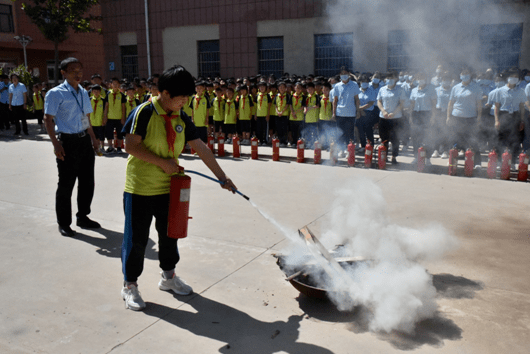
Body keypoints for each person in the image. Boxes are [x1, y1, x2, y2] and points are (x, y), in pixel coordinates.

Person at [120, 65, 238, 311]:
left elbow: (201, 147)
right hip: (140, 189)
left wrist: (222, 176)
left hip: (169, 189)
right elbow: (130, 146)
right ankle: (130, 285)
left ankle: (169, 278)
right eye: (180, 97)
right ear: (163, 92)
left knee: (170, 234)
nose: (184, 101)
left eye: (188, 97)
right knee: (137, 240)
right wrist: (164, 163)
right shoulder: (144, 112)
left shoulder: (181, 116)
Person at [43, 57, 101, 237]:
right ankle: (64, 223)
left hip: (84, 141)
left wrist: (93, 138)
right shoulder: (55, 93)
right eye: (73, 70)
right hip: (67, 142)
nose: (78, 73)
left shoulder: (84, 91)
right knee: (66, 184)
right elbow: (48, 119)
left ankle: (83, 216)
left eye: (80, 69)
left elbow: (87, 118)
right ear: (63, 73)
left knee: (87, 182)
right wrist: (56, 144)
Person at [447, 68, 483, 169]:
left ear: (470, 75)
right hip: (456, 117)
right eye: (463, 74)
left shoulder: (476, 88)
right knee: (454, 139)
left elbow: (479, 104)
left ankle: (477, 163)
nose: (465, 75)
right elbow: (450, 103)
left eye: (467, 74)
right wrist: (448, 116)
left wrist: (479, 117)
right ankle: (452, 160)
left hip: (470, 118)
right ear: (460, 75)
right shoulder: (455, 87)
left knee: (473, 140)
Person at [494, 69, 526, 169]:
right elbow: (497, 107)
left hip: (515, 116)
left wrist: (522, 120)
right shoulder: (500, 91)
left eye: (516, 77)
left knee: (515, 141)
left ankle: (512, 163)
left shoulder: (521, 91)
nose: (514, 79)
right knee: (500, 139)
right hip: (504, 115)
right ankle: (499, 161)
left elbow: (522, 107)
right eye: (512, 76)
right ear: (508, 78)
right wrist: (496, 120)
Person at [377, 71, 407, 164]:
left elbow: (401, 104)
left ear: (395, 79)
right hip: (383, 117)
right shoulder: (382, 89)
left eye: (392, 78)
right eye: (388, 78)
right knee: (384, 138)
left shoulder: (400, 89)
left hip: (396, 118)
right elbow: (379, 101)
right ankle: (384, 156)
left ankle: (394, 157)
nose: (390, 80)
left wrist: (394, 113)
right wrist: (383, 111)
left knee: (395, 138)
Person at [409, 72, 437, 165]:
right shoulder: (414, 90)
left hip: (427, 114)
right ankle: (416, 157)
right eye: (418, 78)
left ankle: (428, 158)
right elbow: (412, 105)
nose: (420, 80)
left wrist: (433, 117)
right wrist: (410, 116)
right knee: (416, 137)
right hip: (416, 114)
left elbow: (434, 104)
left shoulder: (431, 89)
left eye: (422, 78)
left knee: (428, 136)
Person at [332, 66, 361, 156]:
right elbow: (335, 101)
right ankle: (341, 150)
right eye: (342, 74)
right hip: (340, 113)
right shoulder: (337, 86)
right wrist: (333, 113)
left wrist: (358, 111)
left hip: (351, 113)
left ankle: (349, 150)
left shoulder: (354, 85)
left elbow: (357, 99)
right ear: (340, 75)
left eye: (345, 73)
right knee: (340, 133)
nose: (344, 75)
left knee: (349, 133)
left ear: (349, 74)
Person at [103, 77, 127, 153]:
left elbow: (123, 107)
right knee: (109, 133)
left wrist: (123, 118)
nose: (115, 85)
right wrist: (105, 117)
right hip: (110, 117)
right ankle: (110, 147)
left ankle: (119, 148)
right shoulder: (108, 94)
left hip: (119, 118)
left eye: (117, 84)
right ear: (111, 85)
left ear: (119, 85)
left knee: (119, 133)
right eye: (113, 84)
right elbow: (106, 107)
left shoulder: (122, 95)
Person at [433, 73, 453, 159]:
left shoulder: (453, 90)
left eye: (447, 80)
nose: (446, 82)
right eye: (444, 80)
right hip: (438, 112)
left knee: (447, 132)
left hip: (448, 113)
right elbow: (433, 102)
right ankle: (436, 150)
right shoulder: (436, 89)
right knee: (437, 132)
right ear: (441, 81)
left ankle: (445, 151)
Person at [356, 74, 377, 152]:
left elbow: (371, 103)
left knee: (368, 130)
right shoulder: (357, 90)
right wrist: (360, 110)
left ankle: (371, 146)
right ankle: (363, 146)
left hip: (368, 113)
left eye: (366, 82)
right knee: (360, 130)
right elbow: (356, 101)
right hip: (359, 113)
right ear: (360, 82)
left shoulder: (371, 90)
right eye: (362, 81)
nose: (364, 83)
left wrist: (361, 108)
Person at [89, 85, 106, 154]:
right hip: (91, 122)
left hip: (100, 121)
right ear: (92, 92)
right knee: (93, 136)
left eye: (97, 91)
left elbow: (105, 111)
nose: (96, 93)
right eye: (94, 91)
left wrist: (104, 120)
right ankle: (94, 148)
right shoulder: (89, 100)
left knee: (101, 136)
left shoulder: (103, 100)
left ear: (100, 92)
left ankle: (102, 148)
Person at [303, 82, 320, 147]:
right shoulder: (306, 97)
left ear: (314, 89)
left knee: (315, 132)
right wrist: (305, 109)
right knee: (308, 132)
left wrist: (309, 108)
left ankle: (314, 144)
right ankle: (309, 143)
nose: (310, 91)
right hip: (307, 118)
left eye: (311, 89)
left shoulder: (316, 96)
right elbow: (304, 105)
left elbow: (317, 106)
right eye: (308, 89)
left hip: (314, 118)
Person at [273, 81, 290, 147]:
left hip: (284, 114)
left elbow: (287, 105)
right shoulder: (277, 96)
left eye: (283, 87)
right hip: (277, 114)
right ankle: (279, 140)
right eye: (280, 87)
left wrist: (282, 112)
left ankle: (284, 141)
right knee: (278, 128)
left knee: (284, 128)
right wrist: (277, 112)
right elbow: (275, 105)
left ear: (285, 88)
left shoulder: (287, 95)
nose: (281, 88)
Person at [288, 82, 305, 146]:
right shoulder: (292, 96)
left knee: (299, 131)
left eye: (299, 88)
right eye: (296, 87)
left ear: (301, 89)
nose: (297, 89)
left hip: (300, 117)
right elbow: (290, 105)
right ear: (294, 88)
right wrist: (292, 112)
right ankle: (294, 142)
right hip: (292, 116)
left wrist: (295, 112)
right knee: (293, 131)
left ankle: (299, 142)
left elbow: (303, 106)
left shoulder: (303, 97)